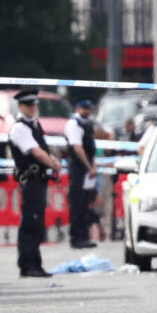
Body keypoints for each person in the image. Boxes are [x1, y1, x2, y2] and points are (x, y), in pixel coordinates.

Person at [7, 89, 62, 278]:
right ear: (20, 106)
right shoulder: (20, 128)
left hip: (39, 181)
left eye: (34, 105)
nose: (33, 108)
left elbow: (42, 149)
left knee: (37, 223)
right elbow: (36, 153)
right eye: (29, 105)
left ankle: (35, 264)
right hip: (30, 181)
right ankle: (27, 265)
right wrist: (54, 164)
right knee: (30, 223)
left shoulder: (34, 125)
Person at [64, 98, 98, 249]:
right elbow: (77, 148)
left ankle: (83, 236)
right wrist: (89, 167)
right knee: (77, 203)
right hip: (78, 168)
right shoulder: (74, 124)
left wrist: (93, 166)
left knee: (85, 204)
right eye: (84, 108)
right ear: (77, 108)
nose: (87, 111)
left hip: (86, 168)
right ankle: (76, 237)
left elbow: (91, 149)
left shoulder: (87, 124)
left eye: (88, 109)